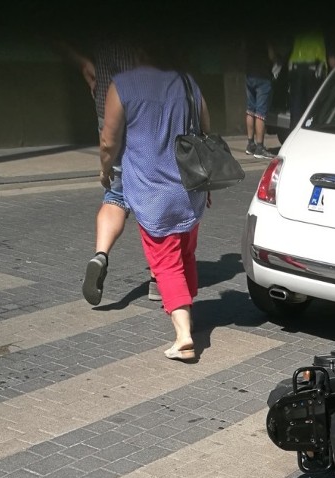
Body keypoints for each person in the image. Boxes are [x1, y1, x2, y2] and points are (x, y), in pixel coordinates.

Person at [99, 49, 210, 362]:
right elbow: (206, 126)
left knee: (165, 262)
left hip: (151, 193)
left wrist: (105, 170)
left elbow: (109, 141)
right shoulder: (187, 82)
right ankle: (188, 307)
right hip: (191, 186)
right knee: (186, 251)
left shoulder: (123, 84)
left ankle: (184, 334)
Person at [57, 38, 160, 306]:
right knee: (151, 193)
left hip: (108, 108)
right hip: (145, 112)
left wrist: (84, 61)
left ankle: (100, 255)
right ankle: (158, 278)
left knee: (115, 194)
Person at [288, 29, 327, 129]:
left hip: (297, 68)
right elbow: (321, 51)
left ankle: (294, 131)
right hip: (313, 69)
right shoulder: (317, 32)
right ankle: (310, 129)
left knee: (296, 107)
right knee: (311, 106)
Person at [244, 40, 276, 159]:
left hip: (250, 74)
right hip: (262, 75)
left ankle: (250, 144)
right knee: (260, 113)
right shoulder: (265, 35)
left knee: (250, 110)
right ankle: (259, 148)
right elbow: (271, 55)